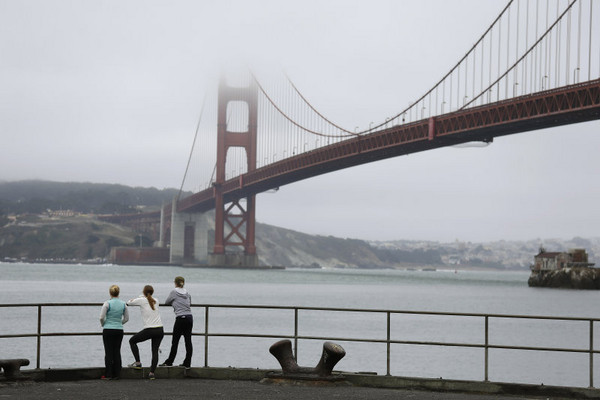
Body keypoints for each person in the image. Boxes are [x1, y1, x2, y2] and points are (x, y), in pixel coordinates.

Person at [127, 285, 164, 380]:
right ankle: (152, 373)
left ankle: (138, 363)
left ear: (144, 292)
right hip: (160, 329)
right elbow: (150, 301)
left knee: (132, 341)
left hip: (150, 329)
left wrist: (140, 297)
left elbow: (128, 303)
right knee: (154, 351)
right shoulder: (156, 300)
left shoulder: (142, 300)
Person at [160, 276, 193, 368]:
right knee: (188, 341)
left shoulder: (174, 292)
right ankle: (187, 362)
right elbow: (189, 302)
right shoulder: (187, 293)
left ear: (175, 283)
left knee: (175, 341)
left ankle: (169, 361)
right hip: (189, 317)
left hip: (180, 318)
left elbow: (167, 302)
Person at [99, 284, 129, 380]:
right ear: (118, 293)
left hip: (108, 329)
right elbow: (126, 318)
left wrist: (104, 324)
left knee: (108, 352)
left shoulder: (107, 303)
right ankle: (117, 373)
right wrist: (119, 323)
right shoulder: (123, 304)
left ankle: (108, 374)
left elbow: (101, 317)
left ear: (110, 293)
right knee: (117, 351)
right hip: (119, 330)